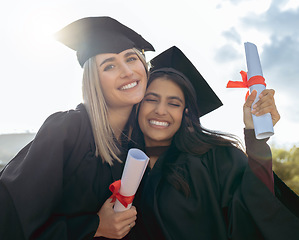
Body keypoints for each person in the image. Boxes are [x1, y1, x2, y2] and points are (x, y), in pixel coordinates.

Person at [0, 16, 154, 240]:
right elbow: (10, 216)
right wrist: (95, 226)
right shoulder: (67, 130)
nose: (127, 71)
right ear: (94, 80)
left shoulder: (141, 141)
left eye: (131, 58)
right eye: (109, 65)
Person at [131, 46, 299, 239]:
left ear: (185, 113)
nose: (160, 110)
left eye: (173, 103)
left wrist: (255, 137)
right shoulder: (119, 167)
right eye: (151, 99)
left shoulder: (215, 157)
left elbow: (260, 205)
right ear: (137, 105)